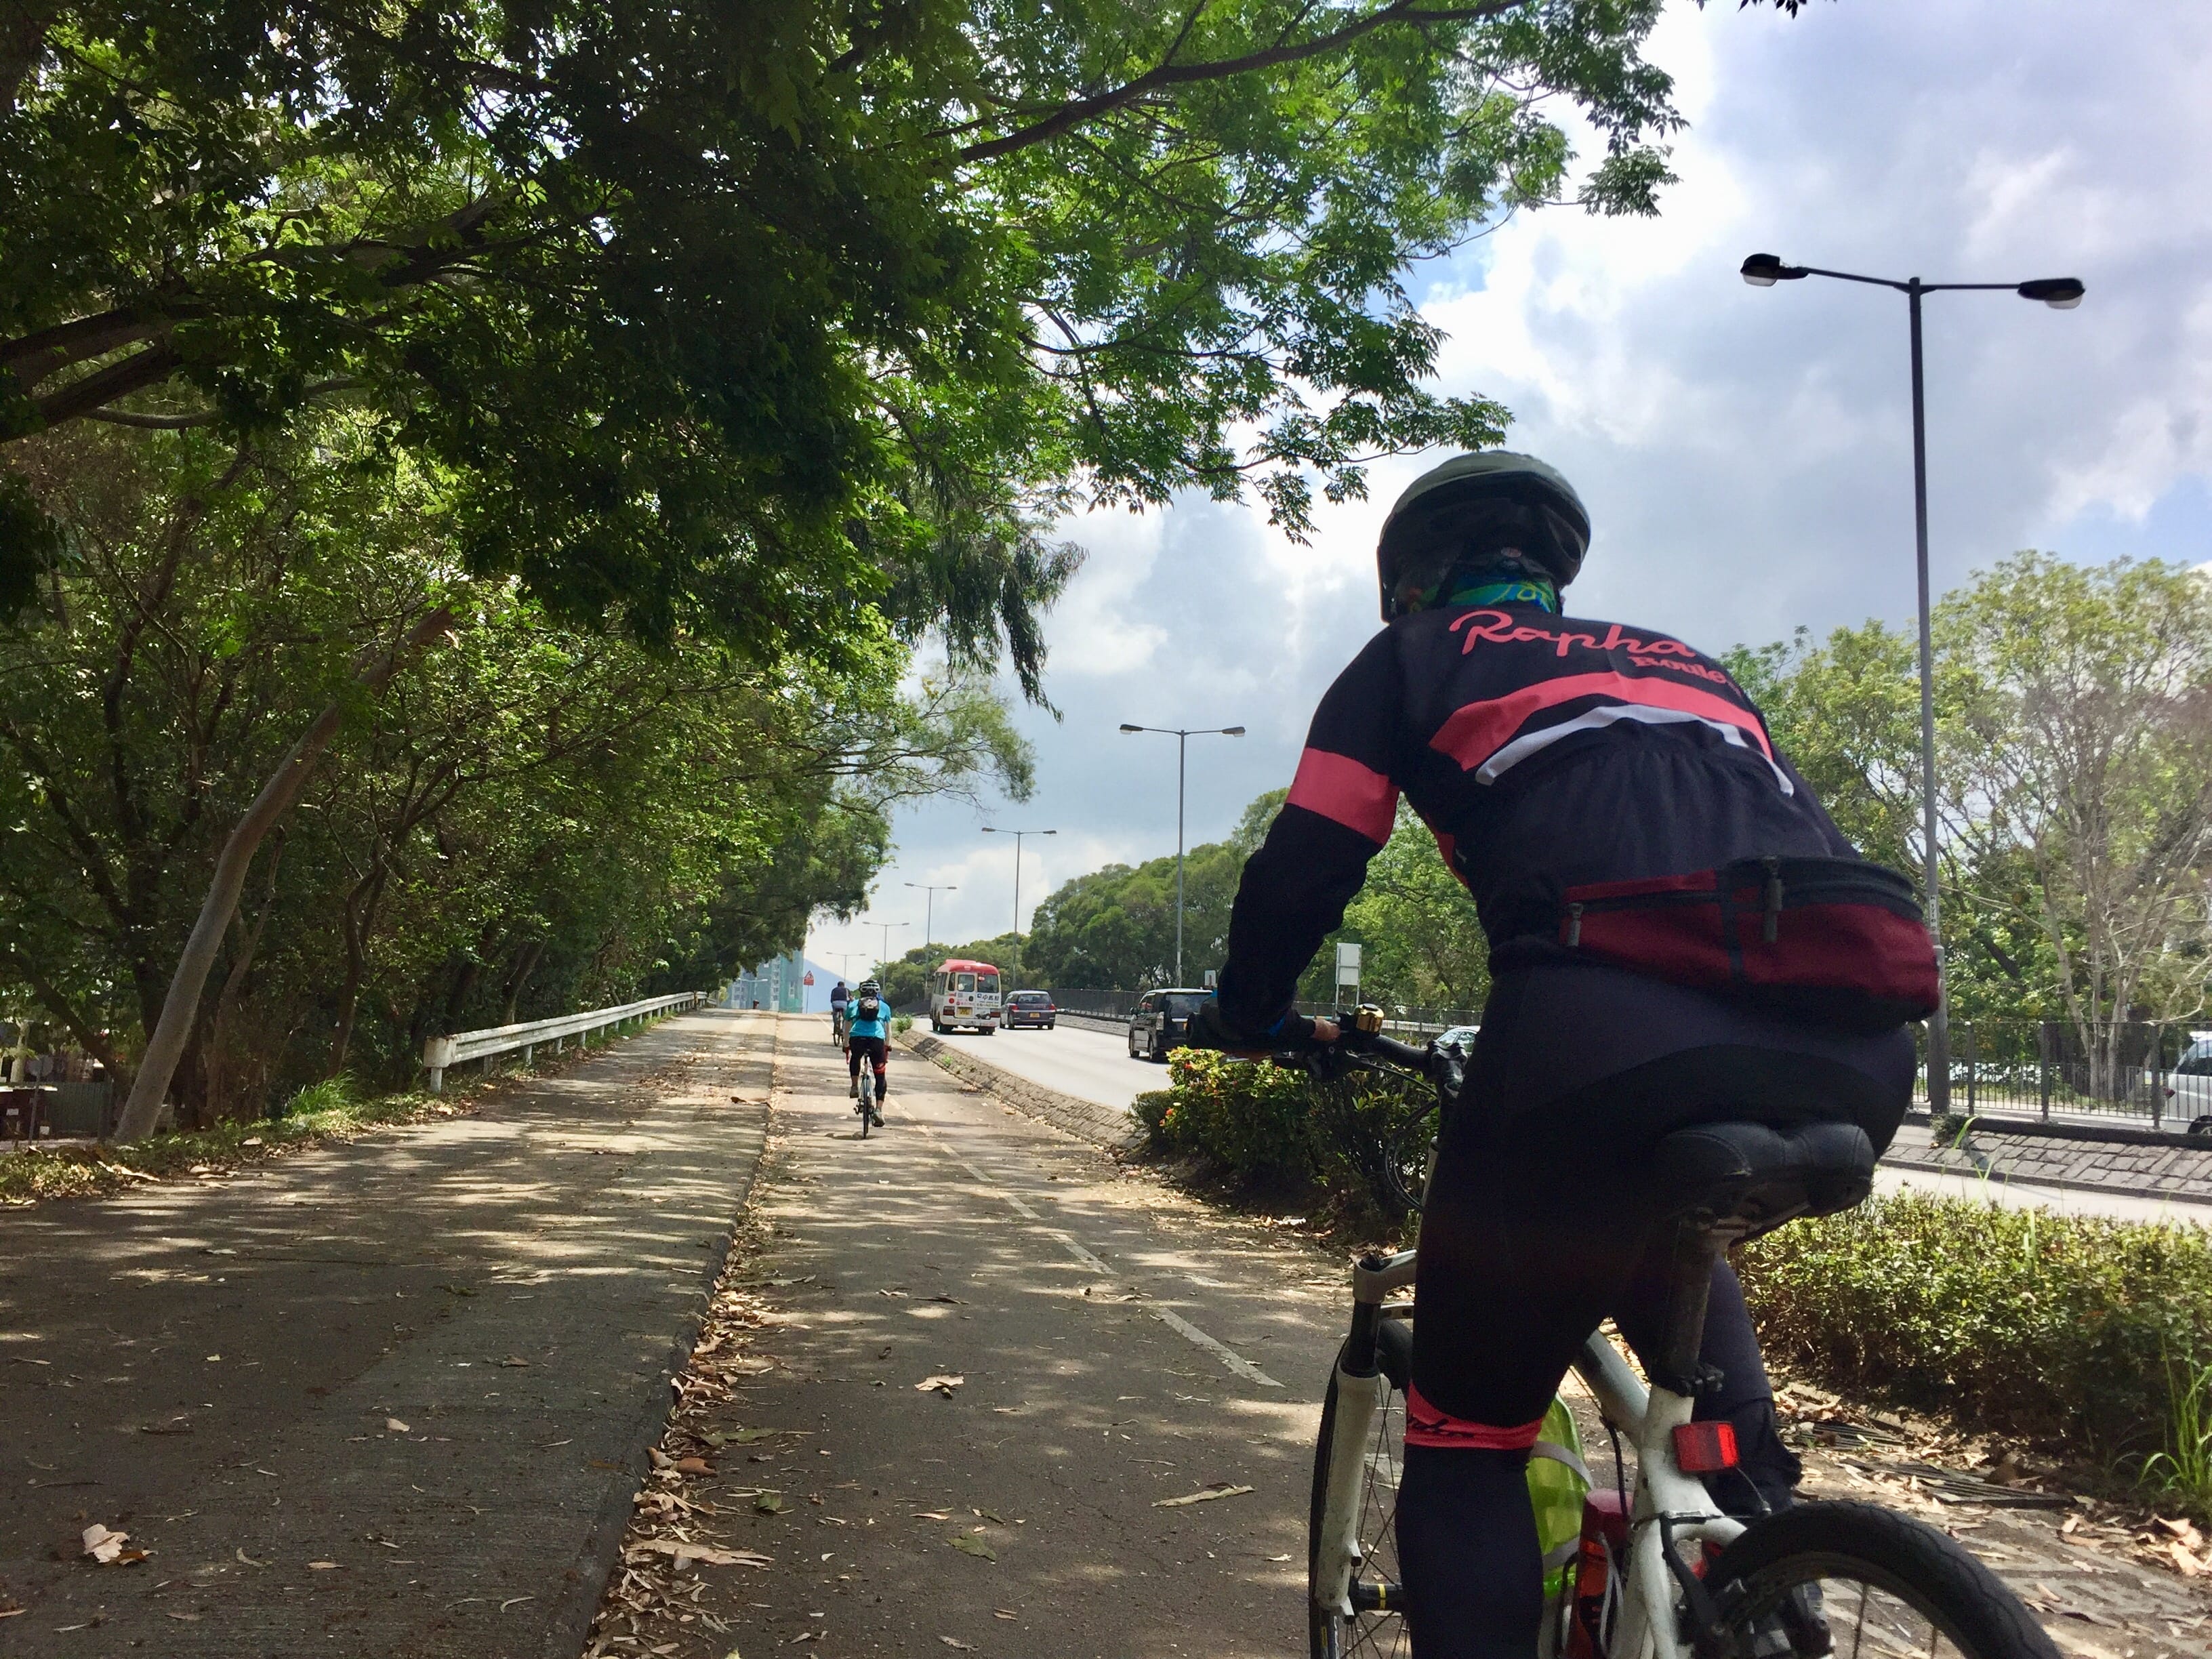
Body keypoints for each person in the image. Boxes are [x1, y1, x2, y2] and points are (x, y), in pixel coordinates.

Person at [1185, 451, 1933, 1659]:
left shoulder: (1409, 659)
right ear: (1551, 573)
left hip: (1595, 1038)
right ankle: (1749, 1538)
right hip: (1852, 1049)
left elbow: (1308, 860)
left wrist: (1249, 1009)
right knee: (1704, 1393)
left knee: (1468, 1439)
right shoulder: (1690, 665)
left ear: (1410, 581)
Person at [845, 979, 892, 1125]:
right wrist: (888, 1046)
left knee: (855, 1058)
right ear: (877, 992)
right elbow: (888, 1030)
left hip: (857, 1039)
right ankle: (878, 1110)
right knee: (880, 1075)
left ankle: (854, 1086)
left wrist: (846, 1045)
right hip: (876, 1041)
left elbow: (846, 1027)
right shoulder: (884, 1007)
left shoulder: (853, 1005)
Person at [829, 979, 851, 1045]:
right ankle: (843, 1030)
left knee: (834, 1013)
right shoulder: (846, 990)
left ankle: (836, 1022)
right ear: (843, 985)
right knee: (846, 1018)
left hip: (835, 1003)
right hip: (844, 1004)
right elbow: (850, 998)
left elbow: (831, 999)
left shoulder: (834, 990)